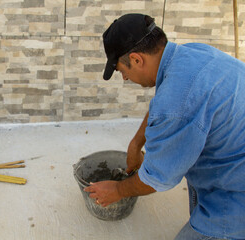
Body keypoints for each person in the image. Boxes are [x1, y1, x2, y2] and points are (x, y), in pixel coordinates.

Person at [84, 13, 245, 240]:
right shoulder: (189, 55)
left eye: (122, 70)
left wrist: (118, 190)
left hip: (237, 191)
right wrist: (136, 143)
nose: (125, 79)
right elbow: (171, 101)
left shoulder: (175, 102)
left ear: (137, 59)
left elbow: (158, 178)